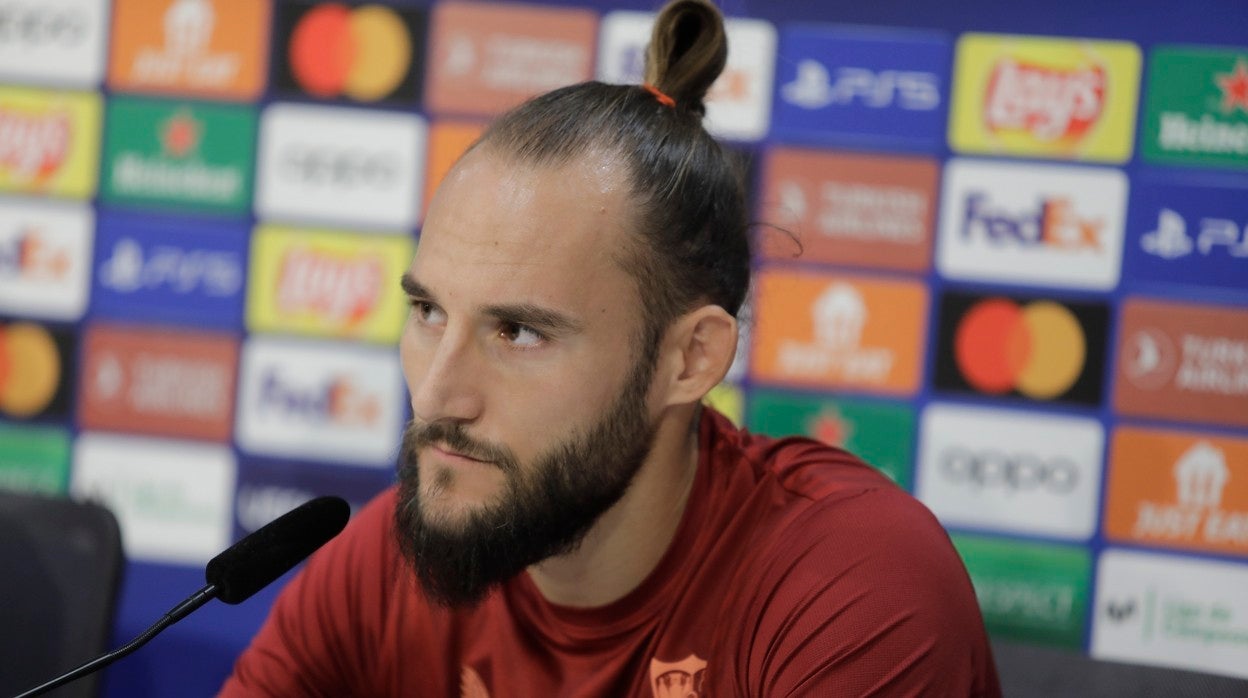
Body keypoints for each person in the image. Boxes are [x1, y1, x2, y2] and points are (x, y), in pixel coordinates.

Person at [220, 1, 1001, 695]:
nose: (435, 398)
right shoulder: (390, 561)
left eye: (517, 332)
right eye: (428, 312)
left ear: (690, 359)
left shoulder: (850, 585)